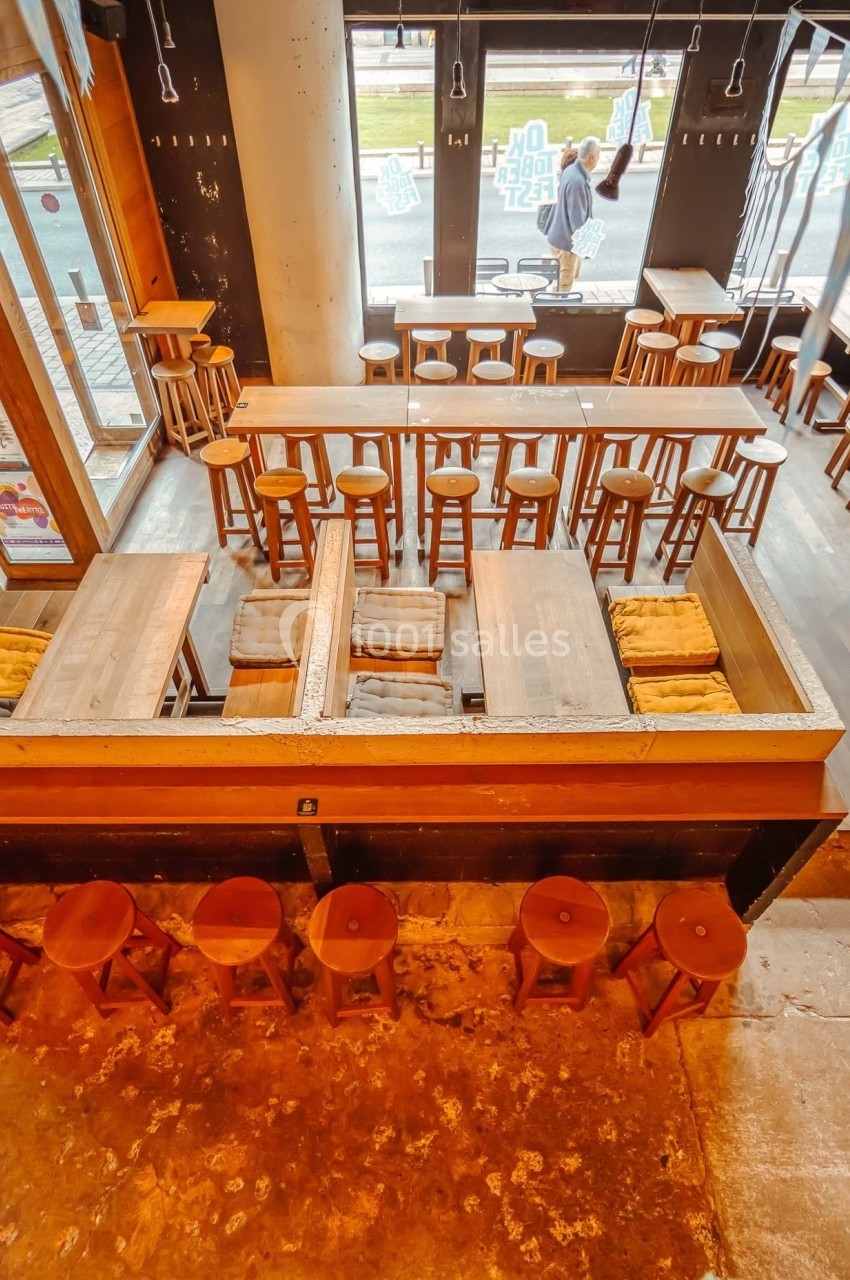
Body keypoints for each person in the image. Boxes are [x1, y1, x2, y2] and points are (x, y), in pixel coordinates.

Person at [544, 136, 600, 293]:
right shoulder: (577, 182)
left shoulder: (570, 170)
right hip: (566, 243)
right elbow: (578, 222)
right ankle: (553, 312)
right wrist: (587, 248)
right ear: (592, 157)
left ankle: (548, 300)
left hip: (557, 236)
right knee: (564, 286)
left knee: (560, 278)